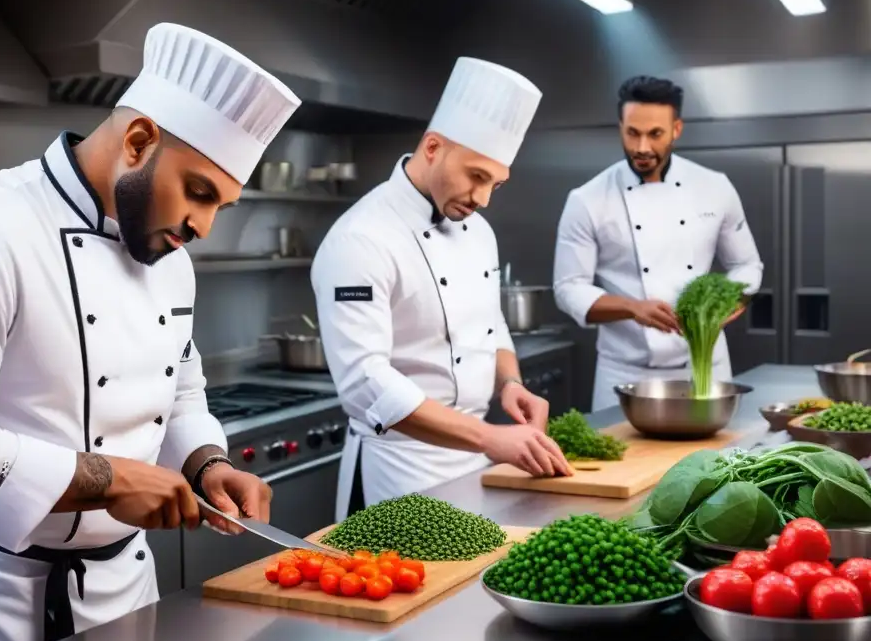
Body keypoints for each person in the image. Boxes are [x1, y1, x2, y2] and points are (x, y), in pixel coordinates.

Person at [0, 22, 300, 641]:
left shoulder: (169, 259)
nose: (204, 226)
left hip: (124, 585)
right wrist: (106, 479)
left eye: (221, 202)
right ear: (138, 141)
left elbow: (181, 390)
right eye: (198, 192)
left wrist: (207, 462)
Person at [311, 57, 573, 521]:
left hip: (474, 461)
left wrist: (509, 382)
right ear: (433, 147)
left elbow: (490, 325)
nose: (483, 198)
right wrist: (490, 436)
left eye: (495, 183)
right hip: (398, 468)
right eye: (476, 176)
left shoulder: (480, 231)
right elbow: (365, 383)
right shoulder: (360, 239)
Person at [552, 75, 764, 412]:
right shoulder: (587, 199)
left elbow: (747, 265)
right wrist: (633, 308)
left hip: (706, 366)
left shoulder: (715, 187)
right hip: (623, 374)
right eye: (632, 133)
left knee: (713, 463)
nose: (642, 148)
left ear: (676, 129)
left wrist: (734, 299)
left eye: (655, 134)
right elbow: (568, 288)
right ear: (620, 126)